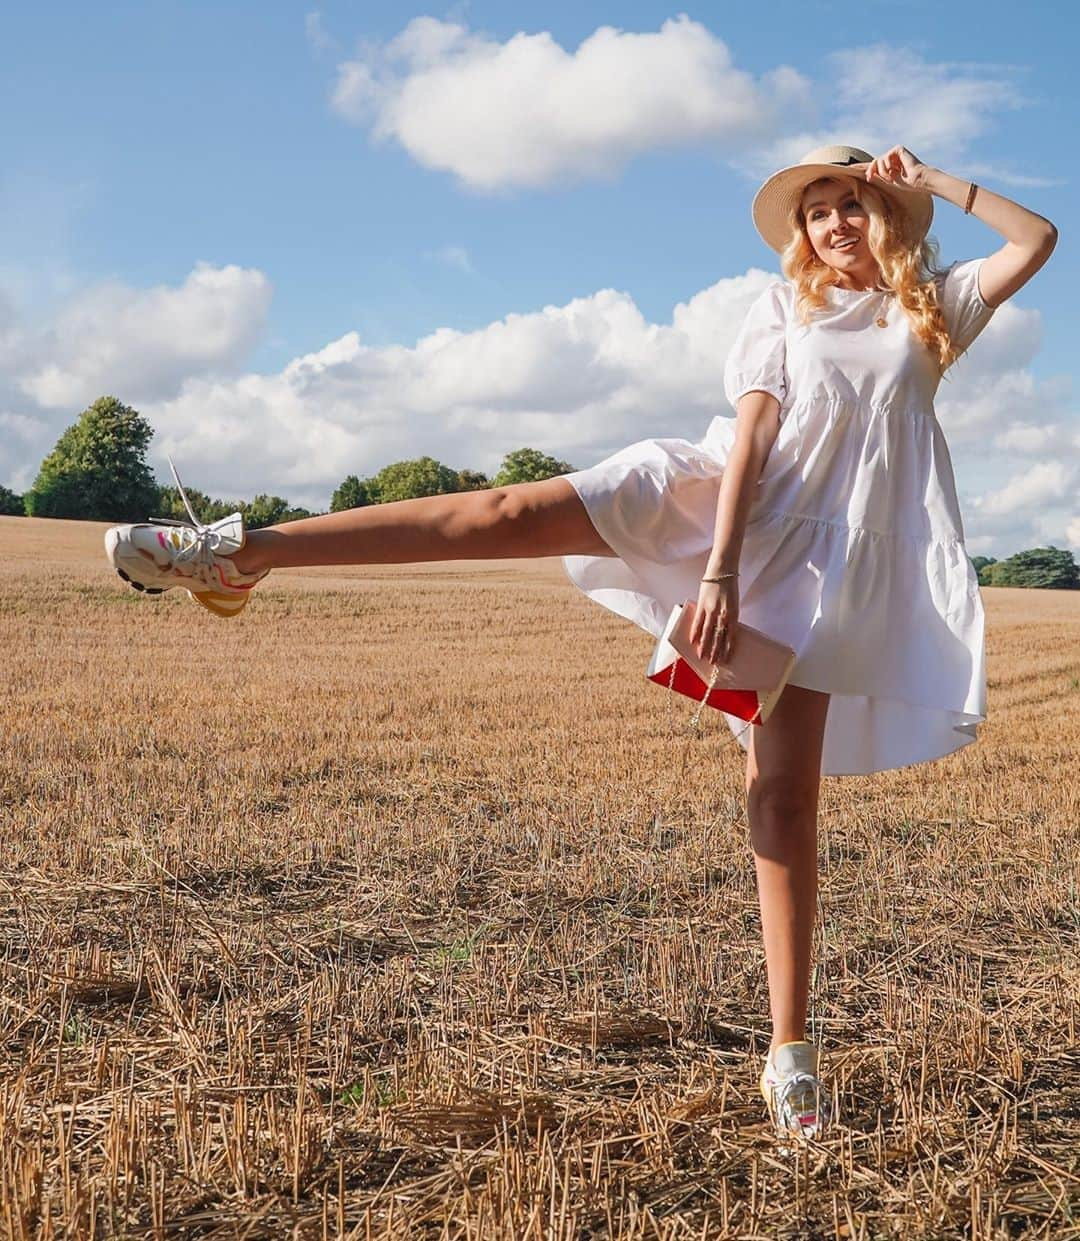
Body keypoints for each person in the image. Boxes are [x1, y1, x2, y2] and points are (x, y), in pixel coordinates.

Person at [103, 143, 1057, 1143]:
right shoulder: (784, 311)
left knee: (782, 799)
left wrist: (933, 176)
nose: (831, 223)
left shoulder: (933, 311)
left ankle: (789, 1056)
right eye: (815, 210)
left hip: (827, 582)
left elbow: (1037, 237)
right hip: (718, 516)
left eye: (851, 202)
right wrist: (721, 571)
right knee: (504, 509)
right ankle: (242, 549)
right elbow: (752, 440)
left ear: (887, 210)